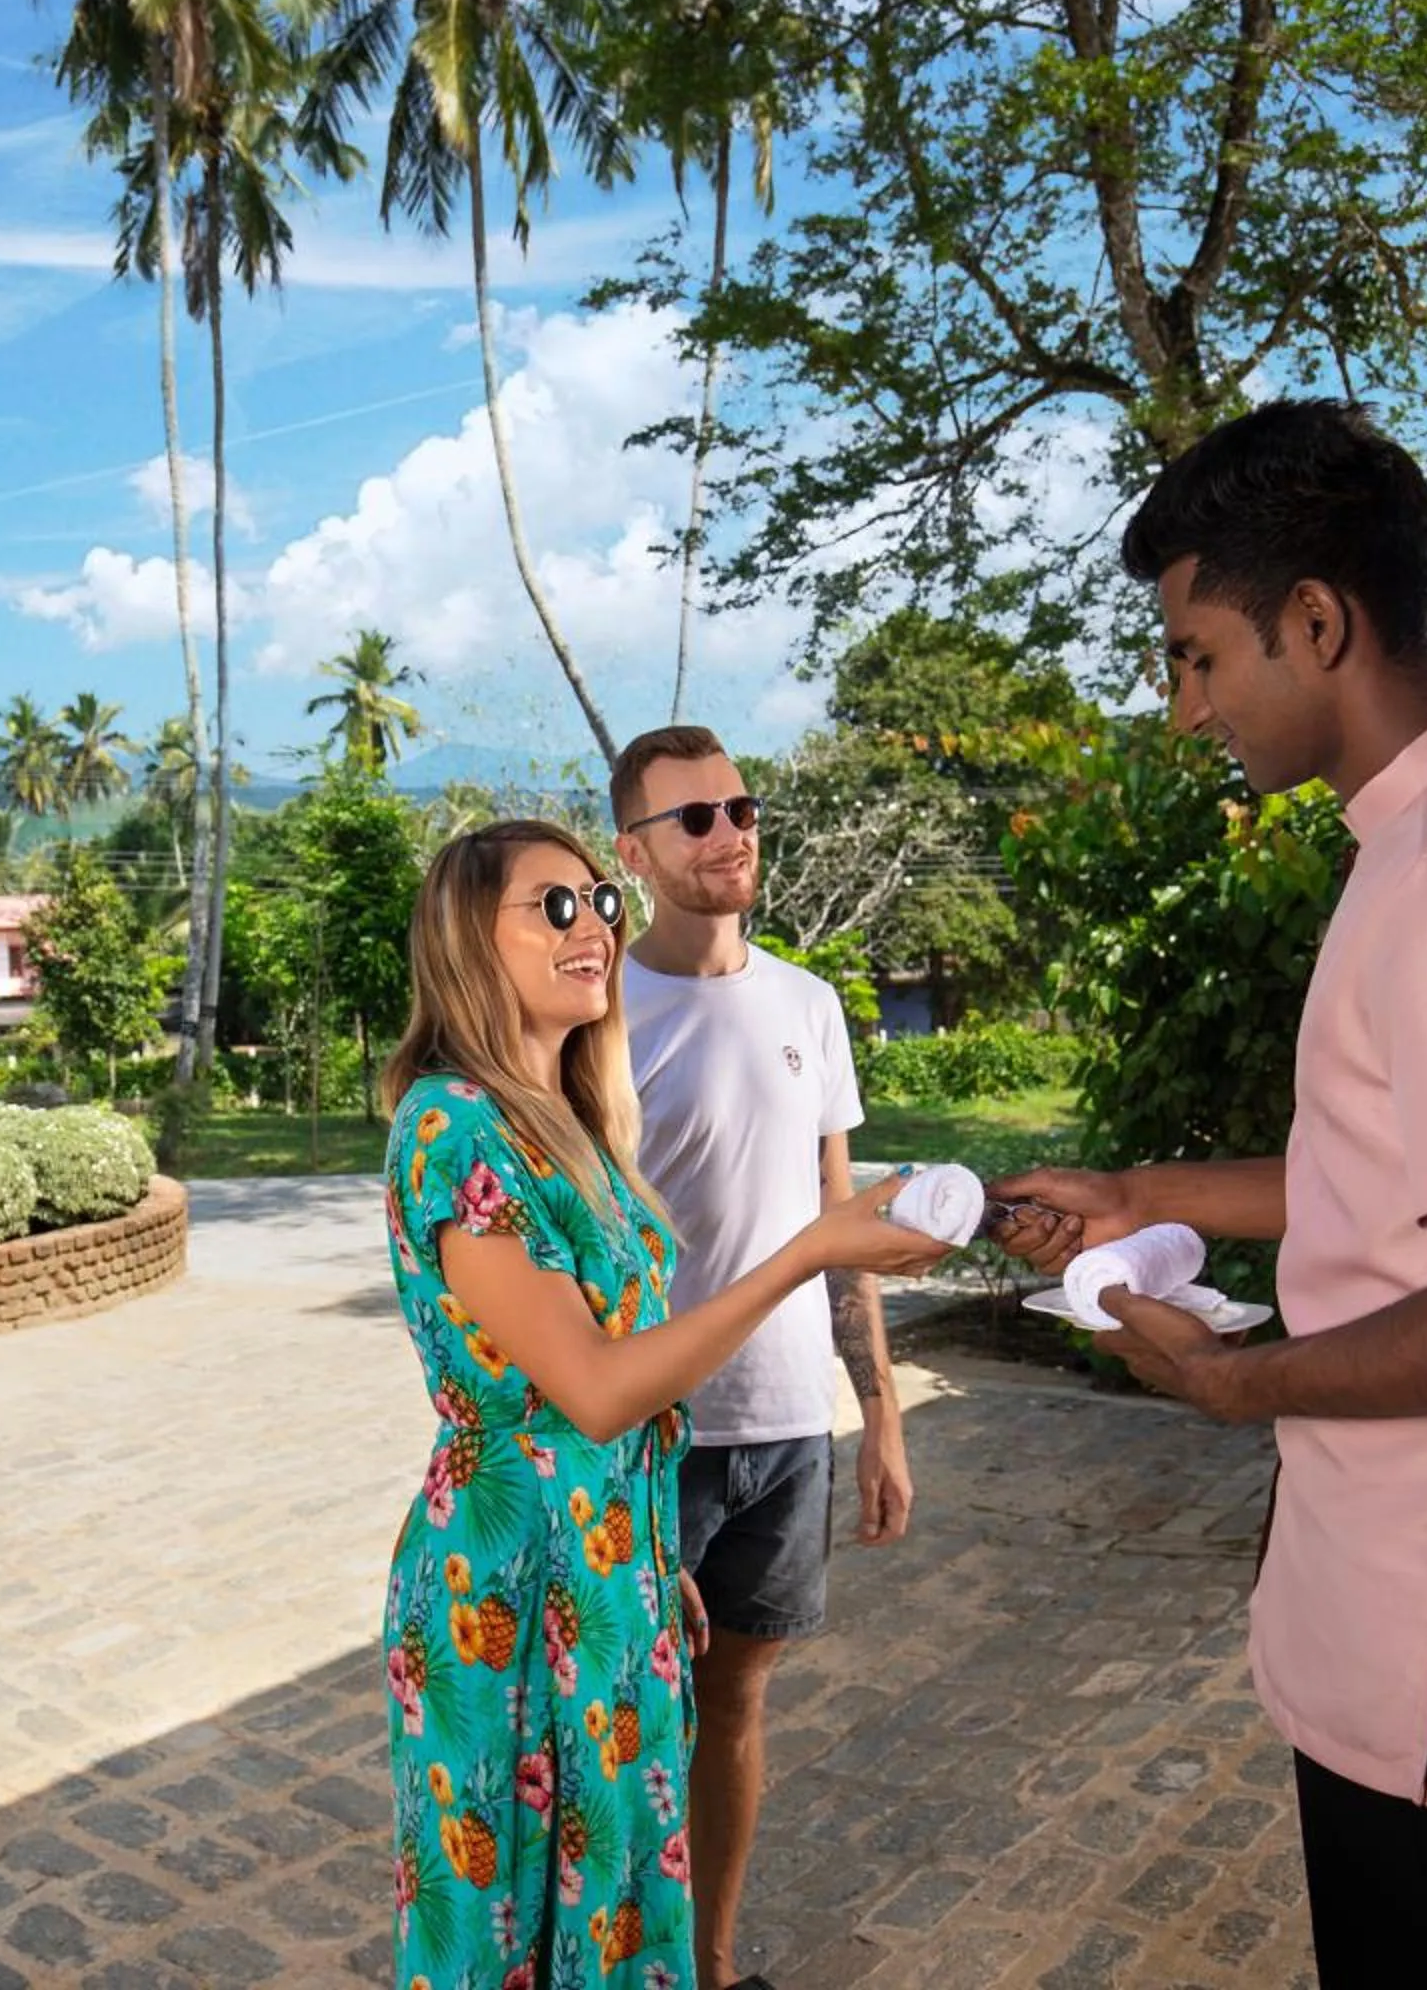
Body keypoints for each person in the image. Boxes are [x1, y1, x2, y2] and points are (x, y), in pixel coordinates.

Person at [990, 399, 1427, 1990]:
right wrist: (1142, 1190)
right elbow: (1418, 1178)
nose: (1184, 709)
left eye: (1198, 655)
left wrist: (1242, 1383)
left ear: (1316, 620)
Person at [379, 820, 952, 1990]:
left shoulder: (574, 1127)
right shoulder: (452, 1124)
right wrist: (807, 1252)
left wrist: (645, 1545)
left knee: (623, 1888)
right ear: (463, 941)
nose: (593, 924)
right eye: (552, 905)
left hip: (608, 1565)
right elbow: (590, 1389)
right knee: (514, 1909)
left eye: (598, 899)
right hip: (512, 1586)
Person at [603, 726, 910, 1990]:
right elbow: (590, 1258)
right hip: (654, 1431)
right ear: (634, 850)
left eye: (741, 806)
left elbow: (838, 1223)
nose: (731, 833)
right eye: (694, 818)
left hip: (787, 1427)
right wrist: (618, 1466)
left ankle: (712, 1965)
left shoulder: (810, 1003)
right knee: (626, 1724)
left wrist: (879, 1411)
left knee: (733, 1708)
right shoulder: (602, 1012)